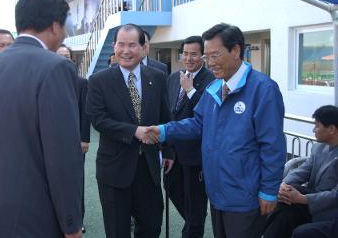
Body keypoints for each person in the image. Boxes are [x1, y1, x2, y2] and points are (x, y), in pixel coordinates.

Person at [147, 23, 286, 238]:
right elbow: (197, 124)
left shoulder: (263, 89)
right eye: (207, 57)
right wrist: (164, 130)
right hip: (217, 192)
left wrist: (269, 190)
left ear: (236, 50)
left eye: (215, 55)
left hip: (245, 195)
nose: (209, 63)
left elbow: (273, 145)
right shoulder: (215, 88)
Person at [0, 0, 83, 238]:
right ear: (54, 25)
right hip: (32, 218)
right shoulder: (56, 67)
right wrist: (72, 224)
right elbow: (63, 155)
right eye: (64, 26)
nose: (64, 34)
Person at [86, 23, 174, 238]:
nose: (126, 51)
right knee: (117, 230)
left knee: (152, 226)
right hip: (115, 169)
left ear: (144, 48)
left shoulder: (158, 77)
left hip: (148, 168)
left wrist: (169, 150)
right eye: (121, 44)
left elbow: (165, 116)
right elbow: (98, 120)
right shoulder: (99, 81)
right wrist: (134, 131)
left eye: (132, 45)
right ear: (114, 46)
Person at [264, 105, 338, 238]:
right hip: (310, 203)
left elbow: (335, 196)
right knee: (284, 206)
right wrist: (284, 185)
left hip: (329, 211)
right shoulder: (319, 148)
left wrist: (302, 199)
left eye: (317, 126)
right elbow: (302, 171)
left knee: (284, 208)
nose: (313, 129)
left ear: (331, 129)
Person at [165, 36, 214, 238]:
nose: (189, 58)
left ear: (202, 55)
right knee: (172, 189)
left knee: (195, 203)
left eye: (194, 54)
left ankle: (193, 228)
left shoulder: (211, 80)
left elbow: (209, 114)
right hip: (173, 154)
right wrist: (167, 149)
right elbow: (169, 114)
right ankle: (194, 222)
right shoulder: (173, 77)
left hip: (196, 156)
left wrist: (190, 90)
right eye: (185, 53)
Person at [56, 44, 90, 234]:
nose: (63, 58)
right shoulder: (47, 80)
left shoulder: (81, 83)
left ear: (71, 59)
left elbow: (86, 113)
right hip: (52, 141)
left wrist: (84, 139)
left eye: (66, 56)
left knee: (76, 182)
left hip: (76, 142)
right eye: (59, 55)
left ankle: (78, 219)